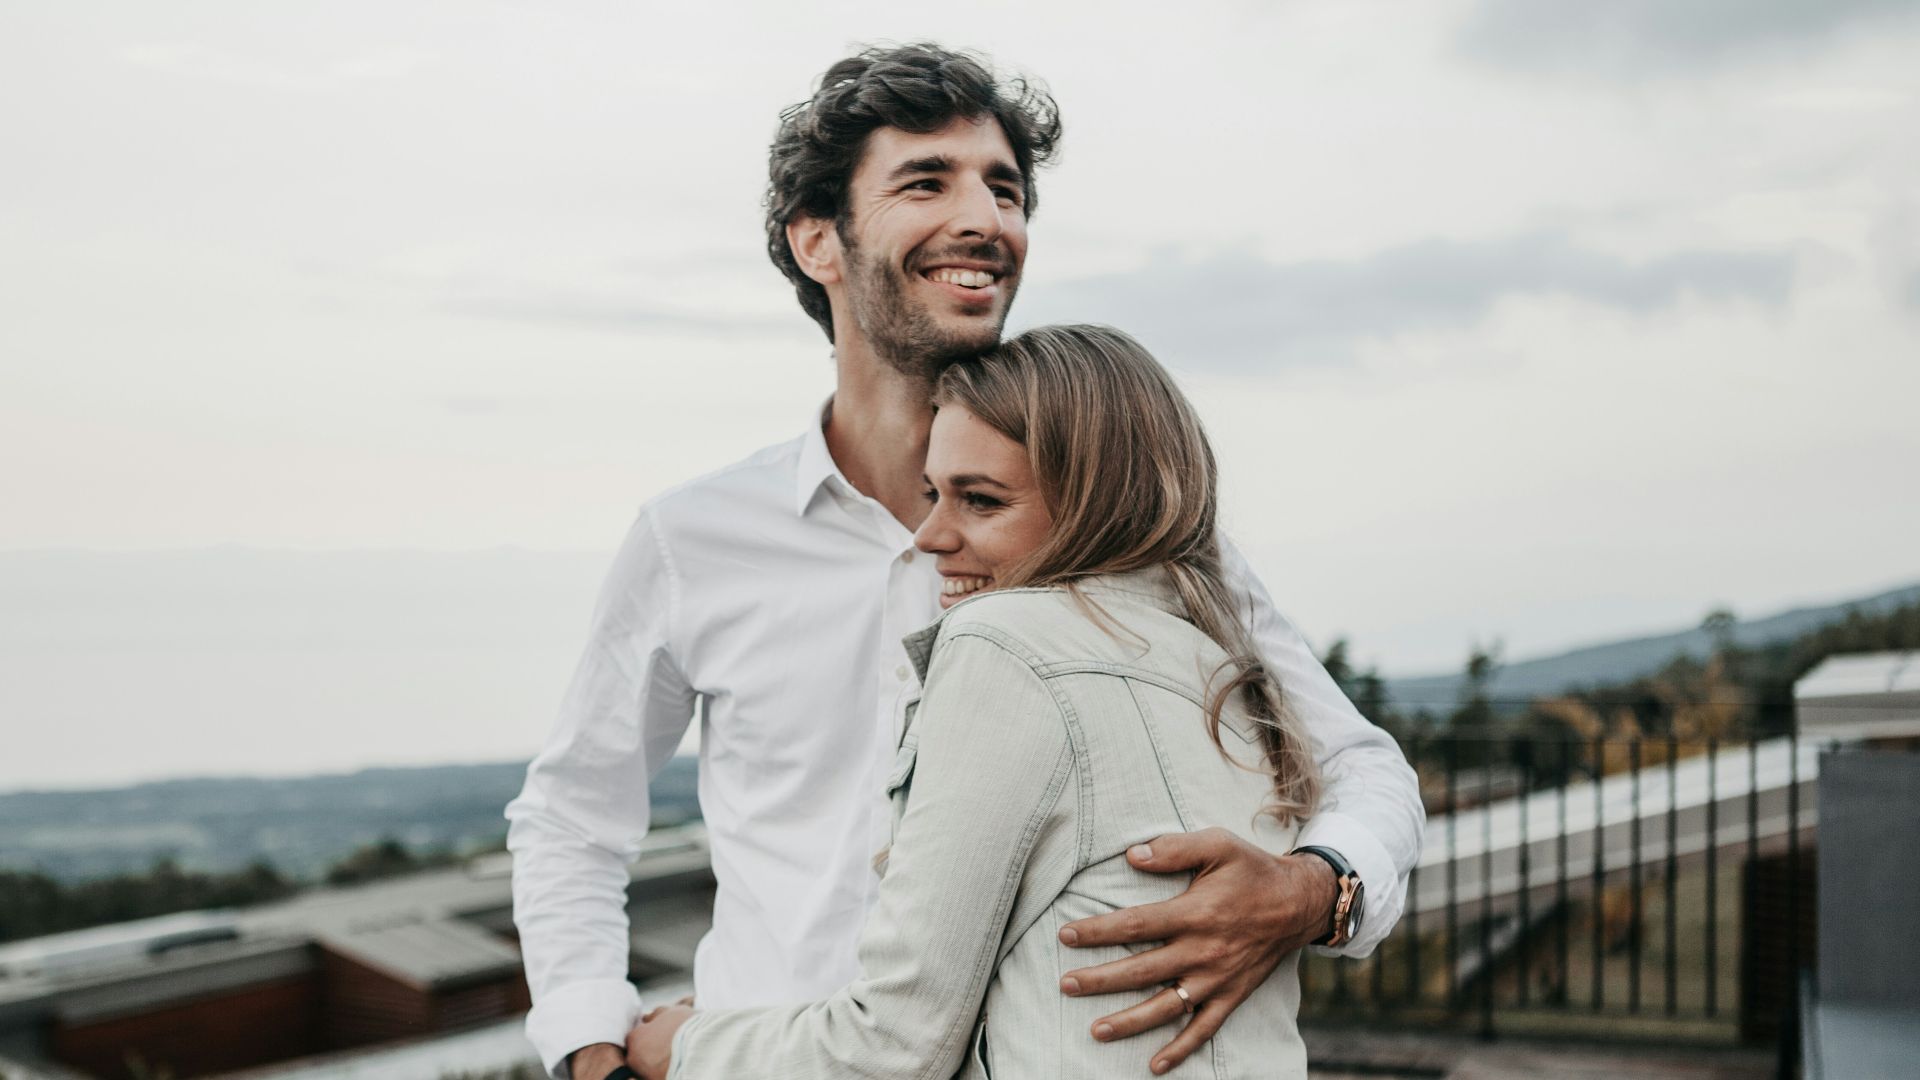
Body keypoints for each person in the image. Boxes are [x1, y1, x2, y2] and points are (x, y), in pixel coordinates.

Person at [505, 43, 1424, 1080]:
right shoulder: (693, 539)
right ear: (819, 241)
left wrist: (1315, 889)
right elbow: (572, 819)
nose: (987, 218)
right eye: (925, 181)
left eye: (1006, 188)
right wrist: (590, 1047)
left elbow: (1358, 765)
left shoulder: (1130, 524)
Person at [626, 324, 1336, 1080]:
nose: (931, 535)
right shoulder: (1224, 662)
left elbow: (896, 1045)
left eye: (981, 501)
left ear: (1096, 504)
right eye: (935, 493)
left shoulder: (1002, 644)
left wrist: (682, 1048)